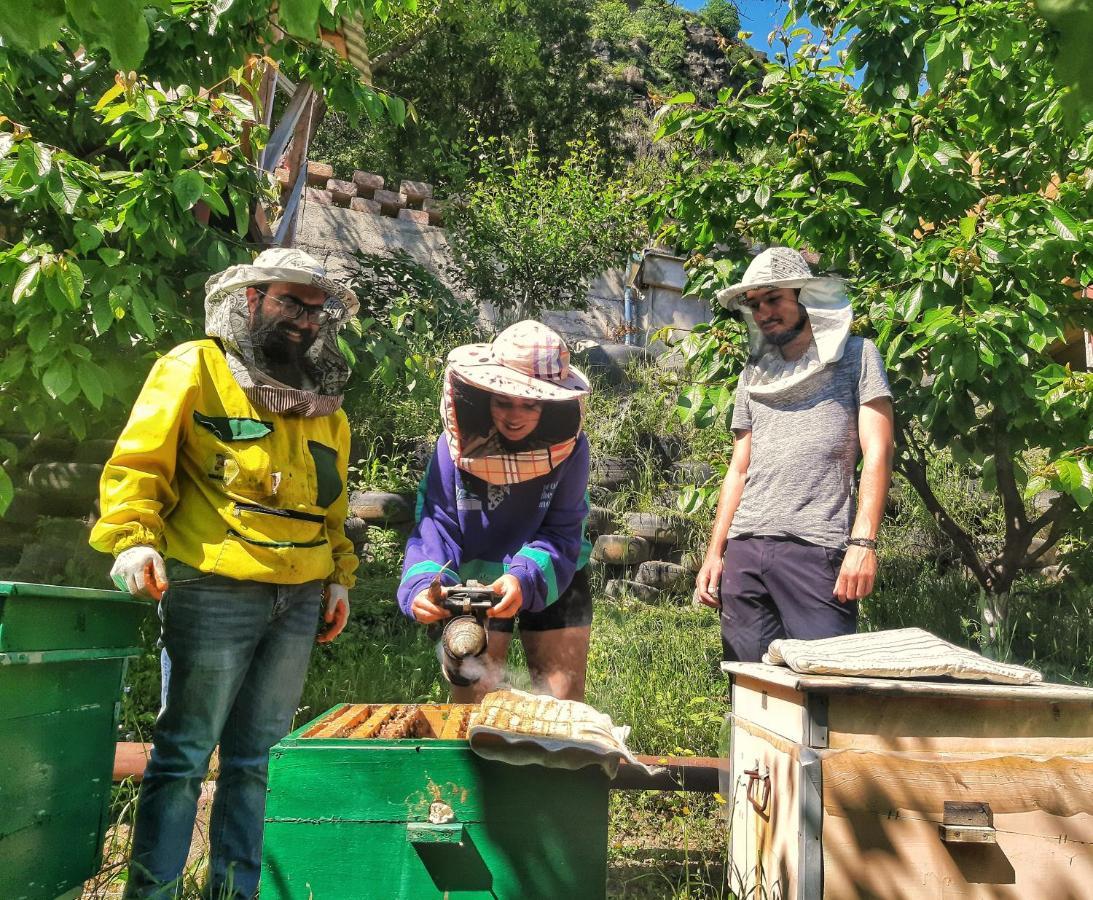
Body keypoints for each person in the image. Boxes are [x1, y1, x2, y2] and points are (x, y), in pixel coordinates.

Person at [90, 248, 360, 899]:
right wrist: (132, 539)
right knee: (182, 757)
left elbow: (332, 506)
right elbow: (138, 465)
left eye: (315, 308)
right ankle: (151, 893)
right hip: (211, 589)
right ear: (250, 299)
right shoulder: (194, 368)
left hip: (298, 599)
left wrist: (339, 578)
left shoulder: (327, 405)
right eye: (290, 301)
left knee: (254, 762)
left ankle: (233, 894)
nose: (303, 317)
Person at [694, 246, 894, 662]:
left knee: (826, 692)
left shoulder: (858, 356)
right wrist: (715, 553)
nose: (764, 312)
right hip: (746, 550)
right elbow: (739, 468)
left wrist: (863, 543)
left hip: (817, 549)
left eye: (774, 299)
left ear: (805, 297)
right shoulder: (753, 374)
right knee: (749, 690)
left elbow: (879, 450)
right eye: (755, 304)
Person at [398, 320, 593, 702]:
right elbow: (436, 522)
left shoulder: (574, 449)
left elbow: (562, 527)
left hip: (555, 570)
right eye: (503, 401)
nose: (514, 415)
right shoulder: (450, 447)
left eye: (529, 404)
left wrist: (523, 576)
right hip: (473, 577)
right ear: (485, 396)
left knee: (560, 704)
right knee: (473, 700)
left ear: (550, 405)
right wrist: (422, 586)